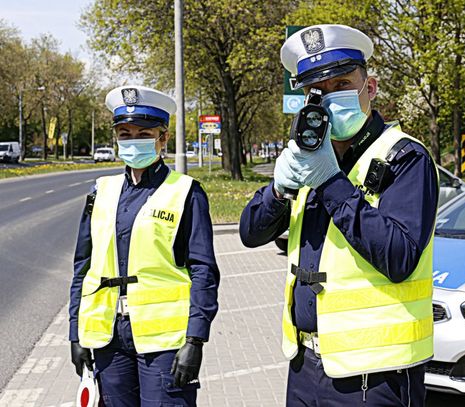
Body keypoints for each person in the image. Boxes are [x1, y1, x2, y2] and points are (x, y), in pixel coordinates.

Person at [240, 24, 438, 406]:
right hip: (306, 364)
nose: (331, 99)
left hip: (375, 375)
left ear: (370, 88)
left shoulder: (405, 157)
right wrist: (278, 188)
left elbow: (399, 257)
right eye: (319, 92)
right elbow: (250, 233)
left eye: (343, 84)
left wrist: (330, 181)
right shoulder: (310, 155)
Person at [69, 85, 220, 407]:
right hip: (108, 338)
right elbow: (83, 267)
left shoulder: (186, 192)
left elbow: (204, 271)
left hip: (165, 343)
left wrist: (196, 339)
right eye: (125, 134)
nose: (132, 141)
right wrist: (75, 333)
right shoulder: (101, 192)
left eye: (143, 133)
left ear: (163, 139)